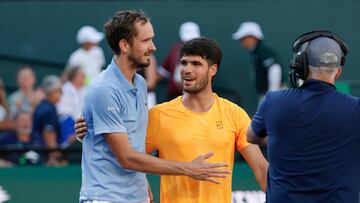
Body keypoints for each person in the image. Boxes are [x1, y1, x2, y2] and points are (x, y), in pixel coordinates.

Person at [76, 37, 268, 202]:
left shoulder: (234, 114)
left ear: (213, 70)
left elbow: (260, 168)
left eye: (196, 64)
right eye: (183, 63)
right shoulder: (158, 116)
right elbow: (123, 156)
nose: (186, 70)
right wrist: (89, 130)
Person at [77, 10, 229, 203]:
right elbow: (127, 157)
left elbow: (135, 142)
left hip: (137, 197)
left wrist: (142, 183)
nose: (153, 47)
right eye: (145, 41)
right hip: (105, 198)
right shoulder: (103, 90)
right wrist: (188, 168)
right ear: (124, 45)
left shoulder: (140, 84)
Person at [247, 30, 360, 203]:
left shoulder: (273, 101)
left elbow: (251, 136)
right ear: (338, 71)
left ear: (301, 66)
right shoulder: (356, 108)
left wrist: (286, 137)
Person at [232, 22, 284, 99]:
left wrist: (272, 93)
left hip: (275, 94)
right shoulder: (256, 51)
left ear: (253, 37)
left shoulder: (263, 49)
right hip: (268, 94)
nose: (241, 41)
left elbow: (274, 68)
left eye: (243, 38)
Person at [159, 21, 201, 100]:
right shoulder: (175, 50)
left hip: (195, 97)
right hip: (174, 96)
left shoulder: (203, 53)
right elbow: (163, 72)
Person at [32, 75, 66, 166]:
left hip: (39, 153)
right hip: (44, 157)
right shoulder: (48, 109)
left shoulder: (43, 106)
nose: (61, 94)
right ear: (51, 91)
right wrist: (56, 157)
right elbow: (48, 135)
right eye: (59, 91)